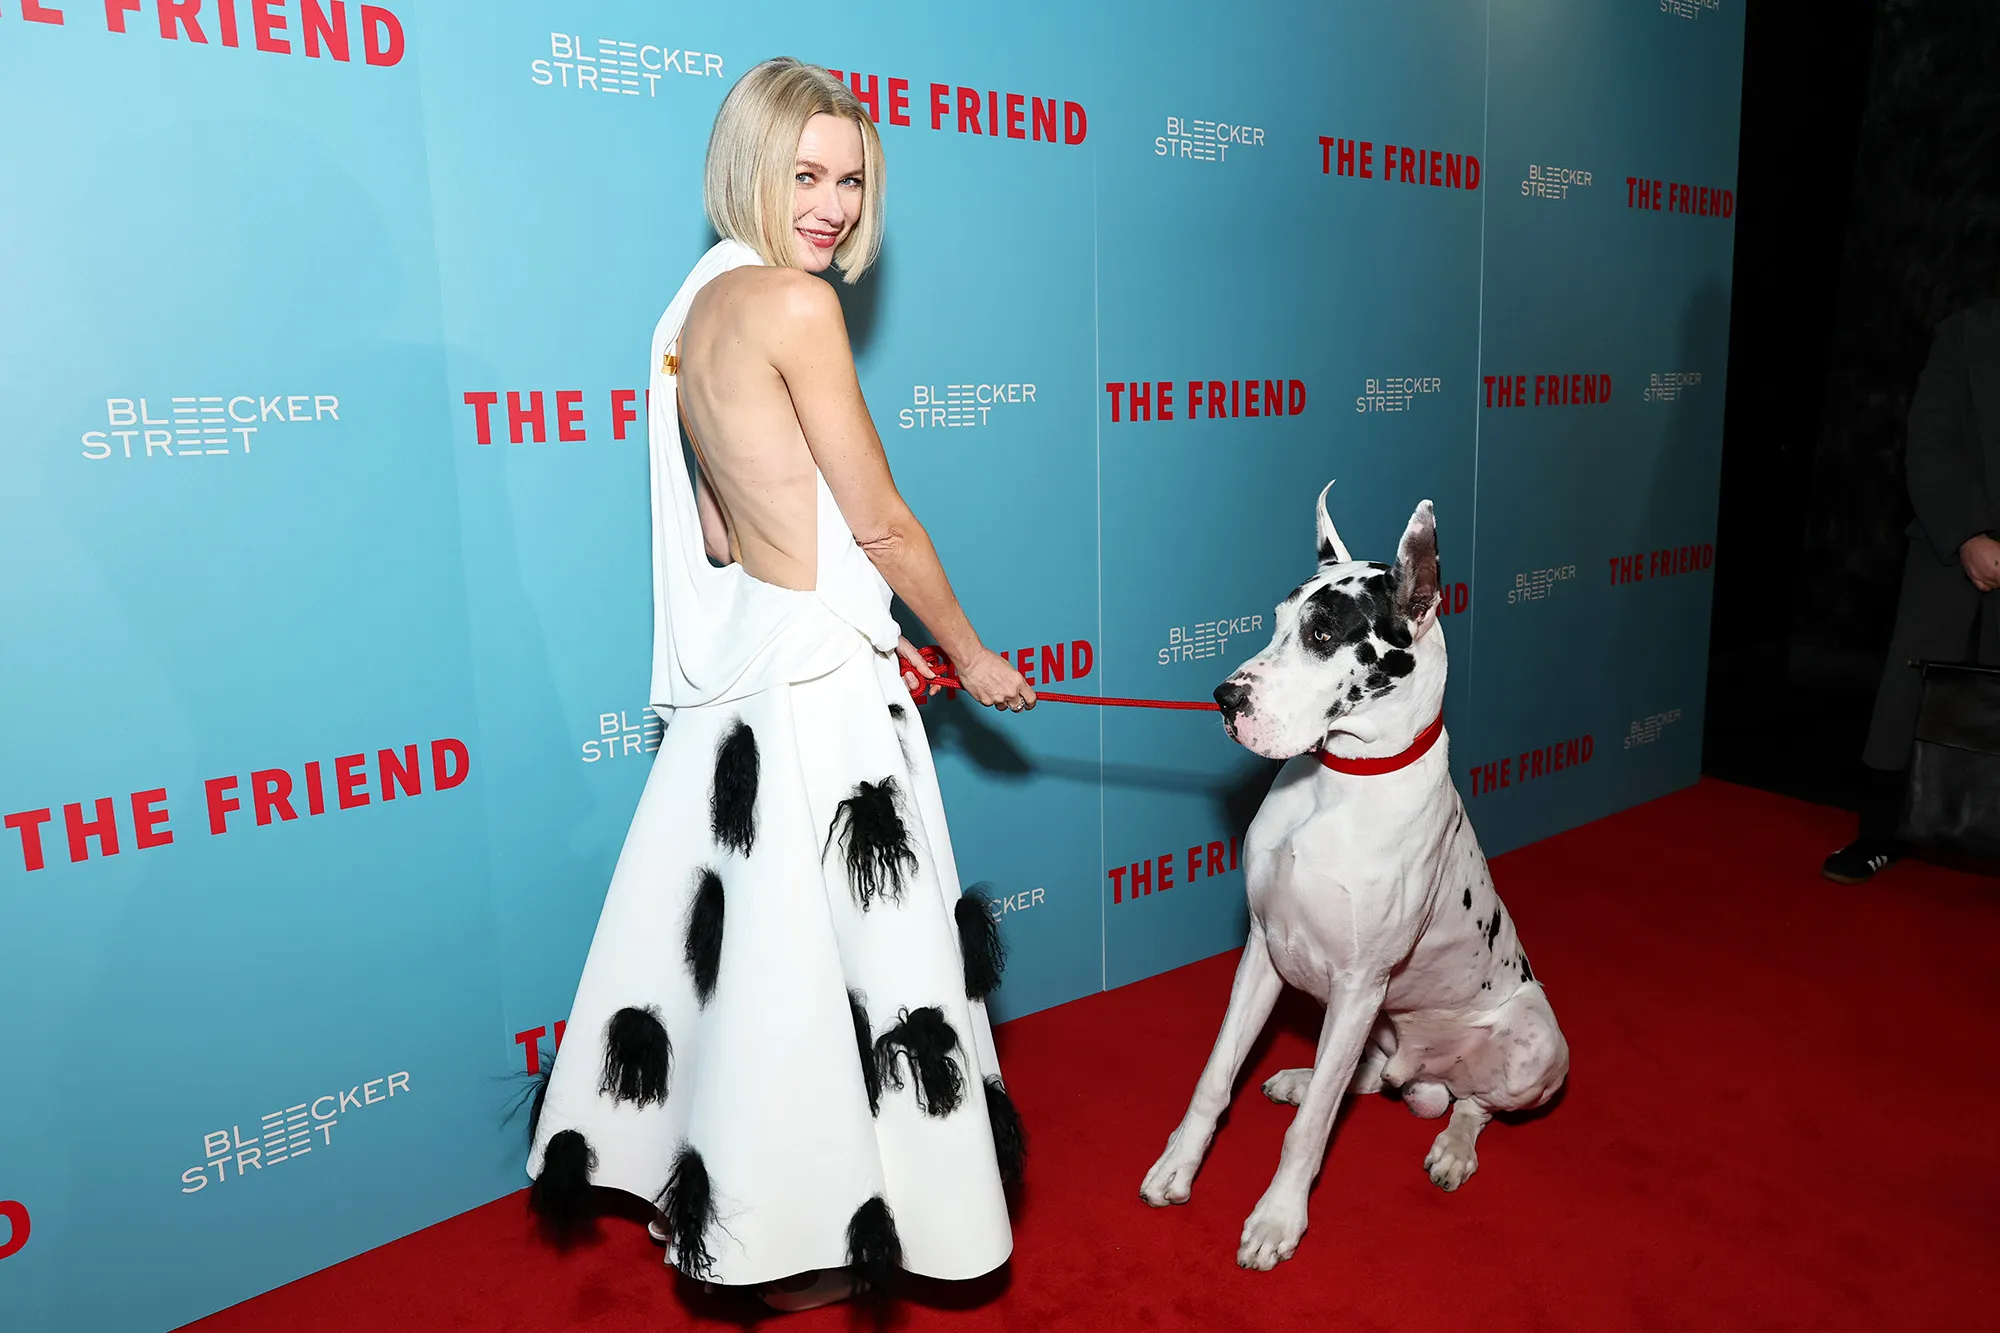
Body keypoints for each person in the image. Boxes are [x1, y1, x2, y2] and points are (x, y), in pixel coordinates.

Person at [525, 57, 1035, 1311]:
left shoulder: (688, 314)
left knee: (760, 972)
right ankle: (835, 1221)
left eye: (852, 180)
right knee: (845, 973)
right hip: (817, 702)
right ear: (747, 168)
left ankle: (746, 1216)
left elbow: (718, 535)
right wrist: (967, 650)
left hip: (750, 685)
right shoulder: (794, 310)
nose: (833, 206)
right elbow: (881, 526)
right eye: (804, 174)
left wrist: (859, 624)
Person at [1824, 295, 2000, 883]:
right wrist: (1967, 534)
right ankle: (1880, 835)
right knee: (1911, 695)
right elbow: (1929, 439)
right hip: (1948, 545)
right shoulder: (1967, 331)